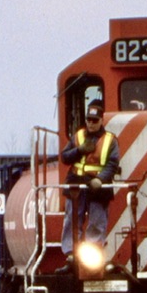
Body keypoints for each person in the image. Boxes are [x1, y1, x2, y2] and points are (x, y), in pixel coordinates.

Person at [60, 102, 121, 258]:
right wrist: (79, 150)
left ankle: (93, 255)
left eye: (94, 120)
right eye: (88, 120)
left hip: (98, 187)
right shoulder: (78, 137)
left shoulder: (110, 140)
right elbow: (65, 157)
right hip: (76, 184)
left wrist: (100, 179)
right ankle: (71, 254)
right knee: (72, 220)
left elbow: (112, 163)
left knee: (97, 222)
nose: (91, 123)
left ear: (101, 120)